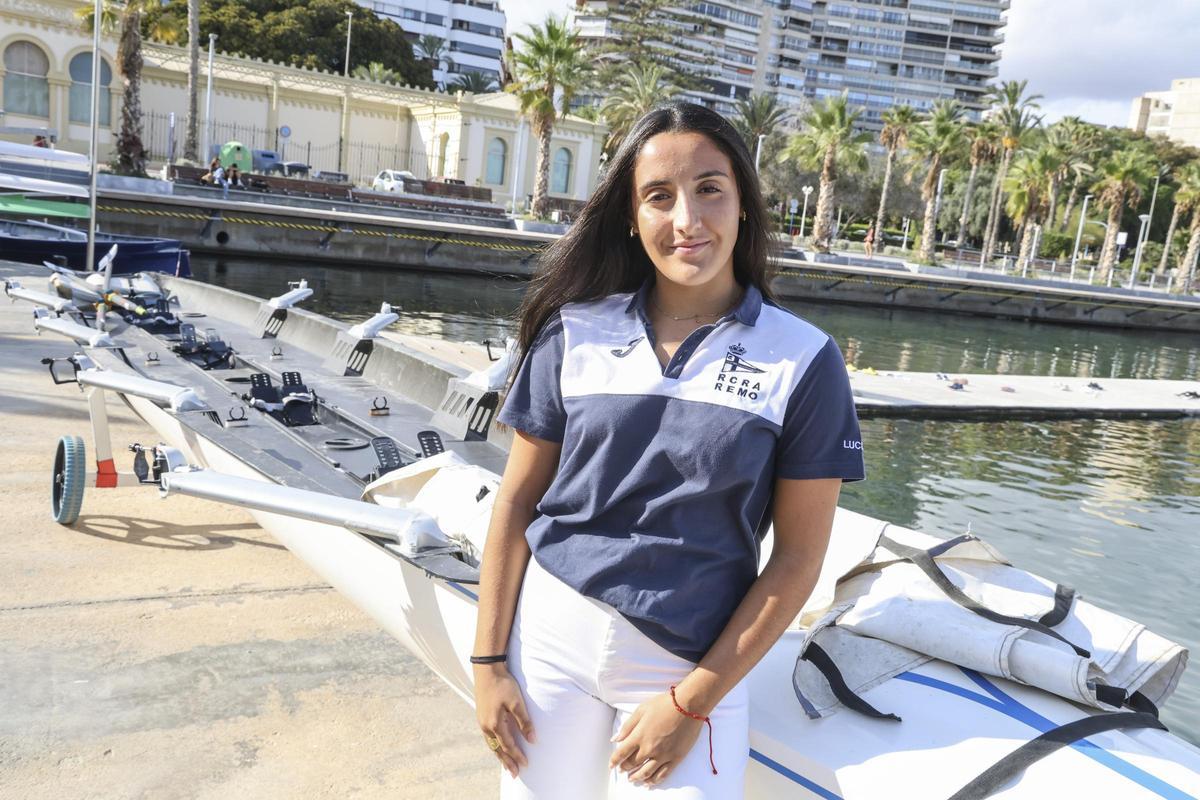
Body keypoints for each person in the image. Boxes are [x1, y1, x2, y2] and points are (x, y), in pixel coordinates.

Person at [473, 100, 865, 799]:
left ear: (743, 203)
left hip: (684, 665)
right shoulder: (574, 333)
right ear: (631, 216)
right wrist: (489, 662)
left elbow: (799, 560)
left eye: (710, 189)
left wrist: (693, 702)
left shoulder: (803, 360)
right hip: (549, 641)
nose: (687, 219)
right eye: (660, 196)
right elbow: (518, 501)